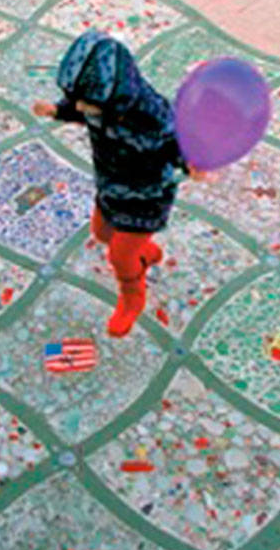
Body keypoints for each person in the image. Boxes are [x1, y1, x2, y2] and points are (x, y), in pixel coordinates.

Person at [33, 30, 200, 337]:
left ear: (116, 97)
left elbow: (177, 145)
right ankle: (145, 253)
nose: (81, 108)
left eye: (86, 103)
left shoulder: (152, 116)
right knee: (101, 232)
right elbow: (82, 110)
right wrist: (57, 111)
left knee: (120, 255)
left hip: (146, 198)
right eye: (77, 101)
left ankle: (132, 297)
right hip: (110, 183)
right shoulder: (99, 103)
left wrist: (192, 165)